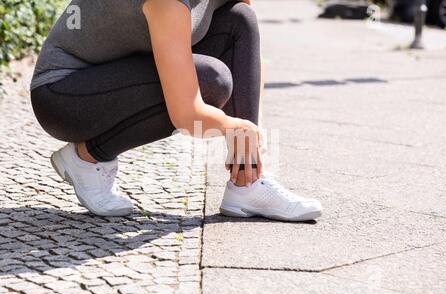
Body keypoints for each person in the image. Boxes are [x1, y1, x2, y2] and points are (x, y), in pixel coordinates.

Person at [30, 0, 322, 221]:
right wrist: (231, 126)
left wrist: (247, 144)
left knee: (239, 19)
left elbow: (247, 54)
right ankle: (86, 157)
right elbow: (187, 116)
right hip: (62, 95)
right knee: (211, 81)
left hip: (118, 71)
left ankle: (248, 183)